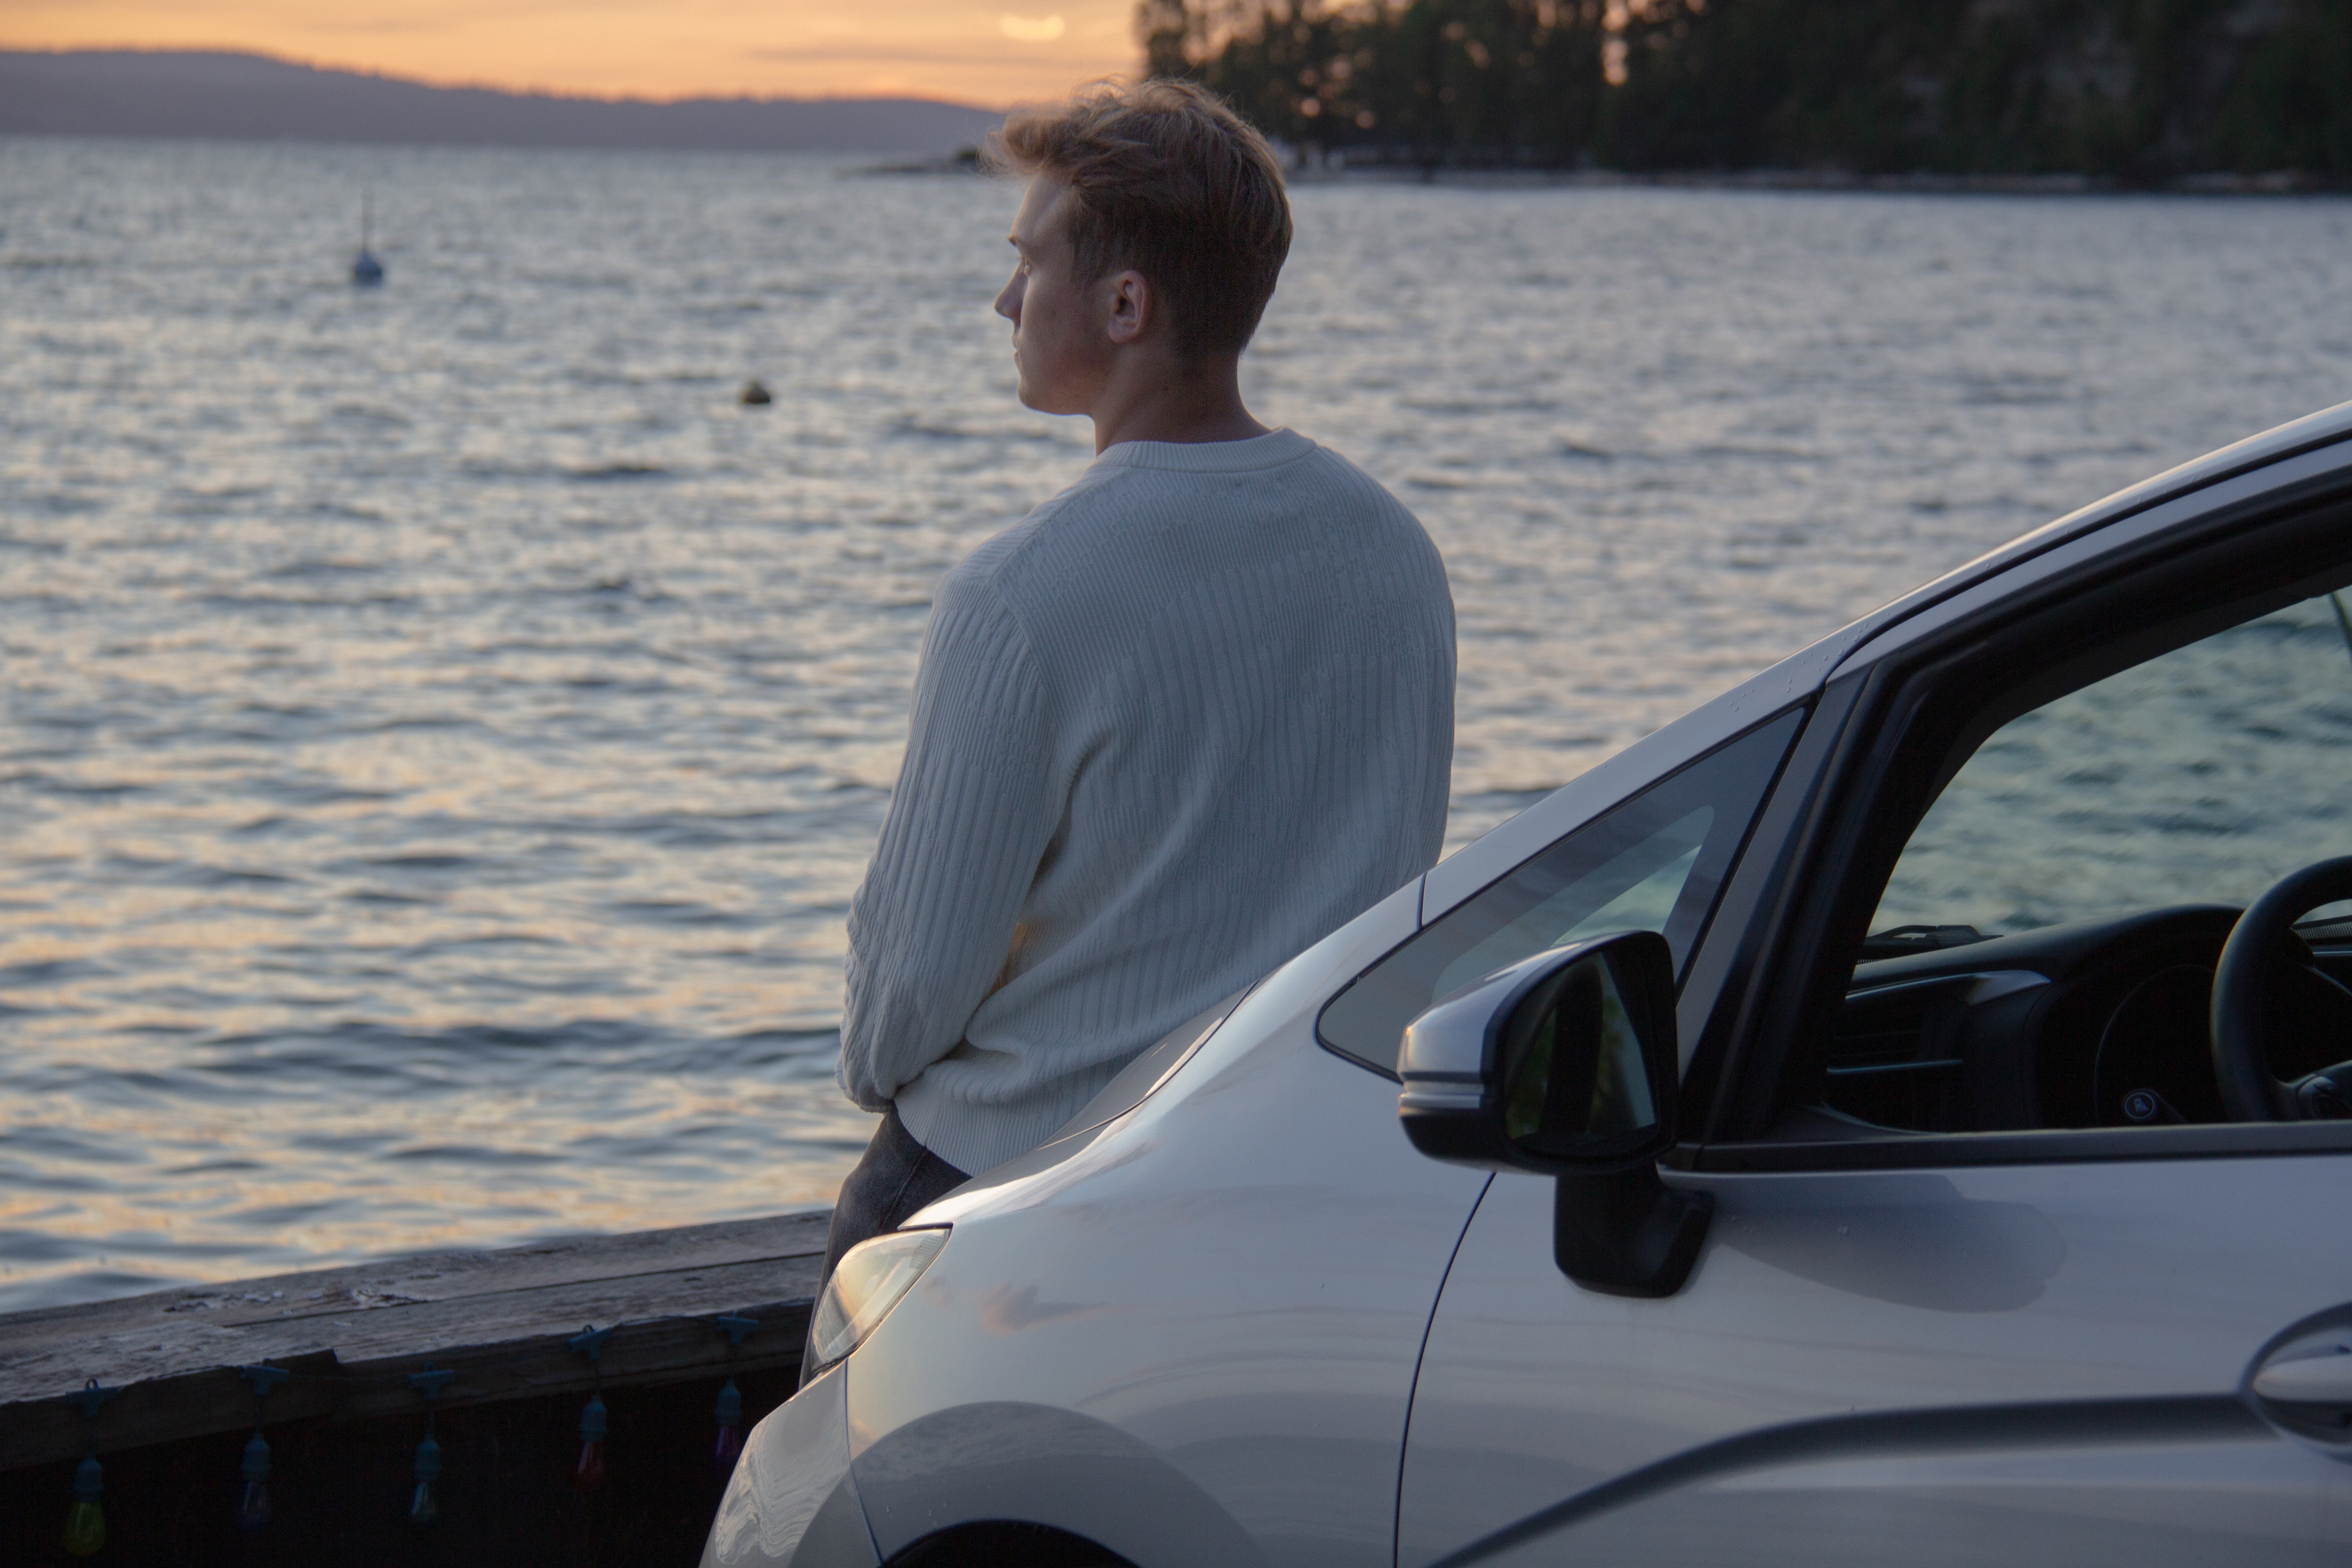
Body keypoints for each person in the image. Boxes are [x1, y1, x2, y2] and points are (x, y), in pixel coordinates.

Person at [818, 78, 1456, 1307]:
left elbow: (903, 1003)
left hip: (1013, 1190)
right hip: (1299, 1187)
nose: (1005, 299)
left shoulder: (1023, 592)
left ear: (1124, 304)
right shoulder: (1396, 555)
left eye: (1029, 263)